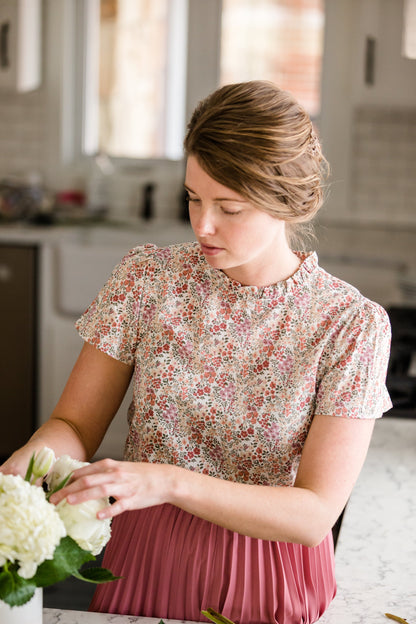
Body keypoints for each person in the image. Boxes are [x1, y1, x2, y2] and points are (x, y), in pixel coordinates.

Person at [1, 80, 392, 624]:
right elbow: (74, 422)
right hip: (142, 555)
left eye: (229, 207)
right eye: (192, 197)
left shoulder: (350, 325)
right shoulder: (148, 278)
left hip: (269, 573)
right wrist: (37, 459)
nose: (202, 224)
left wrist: (166, 481)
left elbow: (314, 514)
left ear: (288, 203)